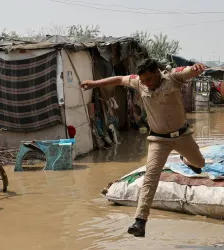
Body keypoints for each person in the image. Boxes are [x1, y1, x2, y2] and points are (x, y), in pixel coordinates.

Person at [81, 59, 207, 237]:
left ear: (157, 73)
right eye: (143, 80)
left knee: (199, 164)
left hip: (182, 136)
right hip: (158, 140)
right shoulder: (138, 82)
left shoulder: (173, 78)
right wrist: (93, 83)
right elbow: (118, 79)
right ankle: (140, 221)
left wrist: (197, 69)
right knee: (150, 177)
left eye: (149, 79)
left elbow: (189, 71)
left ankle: (186, 160)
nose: (146, 83)